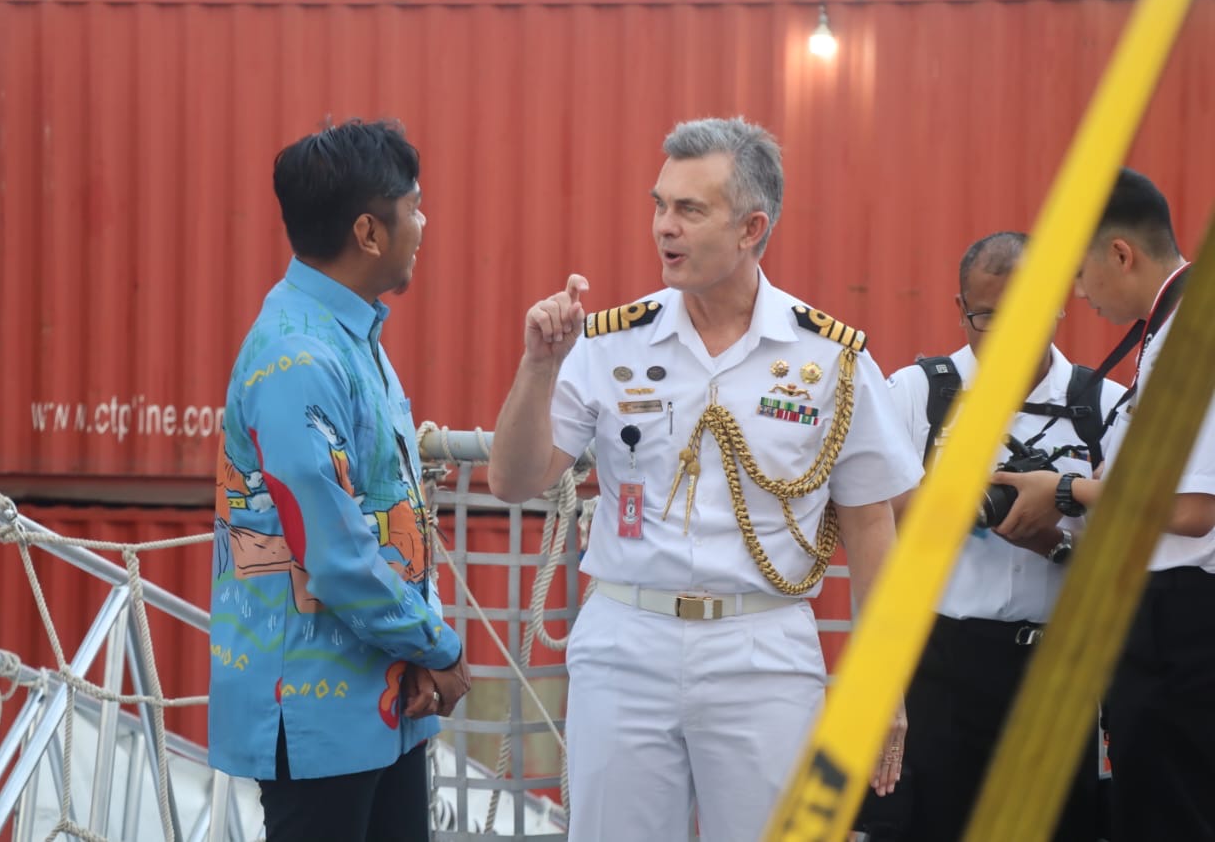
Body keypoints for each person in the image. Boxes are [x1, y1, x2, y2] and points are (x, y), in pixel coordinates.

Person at [487, 117, 923, 842]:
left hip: (763, 646)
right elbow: (512, 479)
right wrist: (538, 366)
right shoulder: (607, 343)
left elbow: (873, 524)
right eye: (660, 205)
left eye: (690, 210)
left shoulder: (830, 360)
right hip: (627, 637)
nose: (665, 227)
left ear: (753, 226)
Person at [208, 119, 471, 842]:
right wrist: (437, 647)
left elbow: (390, 510)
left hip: (384, 701)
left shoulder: (352, 337)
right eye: (414, 205)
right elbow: (336, 553)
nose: (424, 222)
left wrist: (416, 650)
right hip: (317, 714)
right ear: (369, 231)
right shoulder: (298, 358)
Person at [993, 167, 1215, 841]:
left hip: (1182, 623)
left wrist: (1060, 490)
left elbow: (1191, 509)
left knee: (1171, 814)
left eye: (1077, 270)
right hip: (1164, 622)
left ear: (1121, 253)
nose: (1076, 291)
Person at [877, 231, 1121, 842]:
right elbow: (865, 519)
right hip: (939, 664)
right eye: (987, 316)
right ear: (960, 309)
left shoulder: (1105, 406)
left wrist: (1056, 537)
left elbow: (1140, 552)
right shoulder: (917, 393)